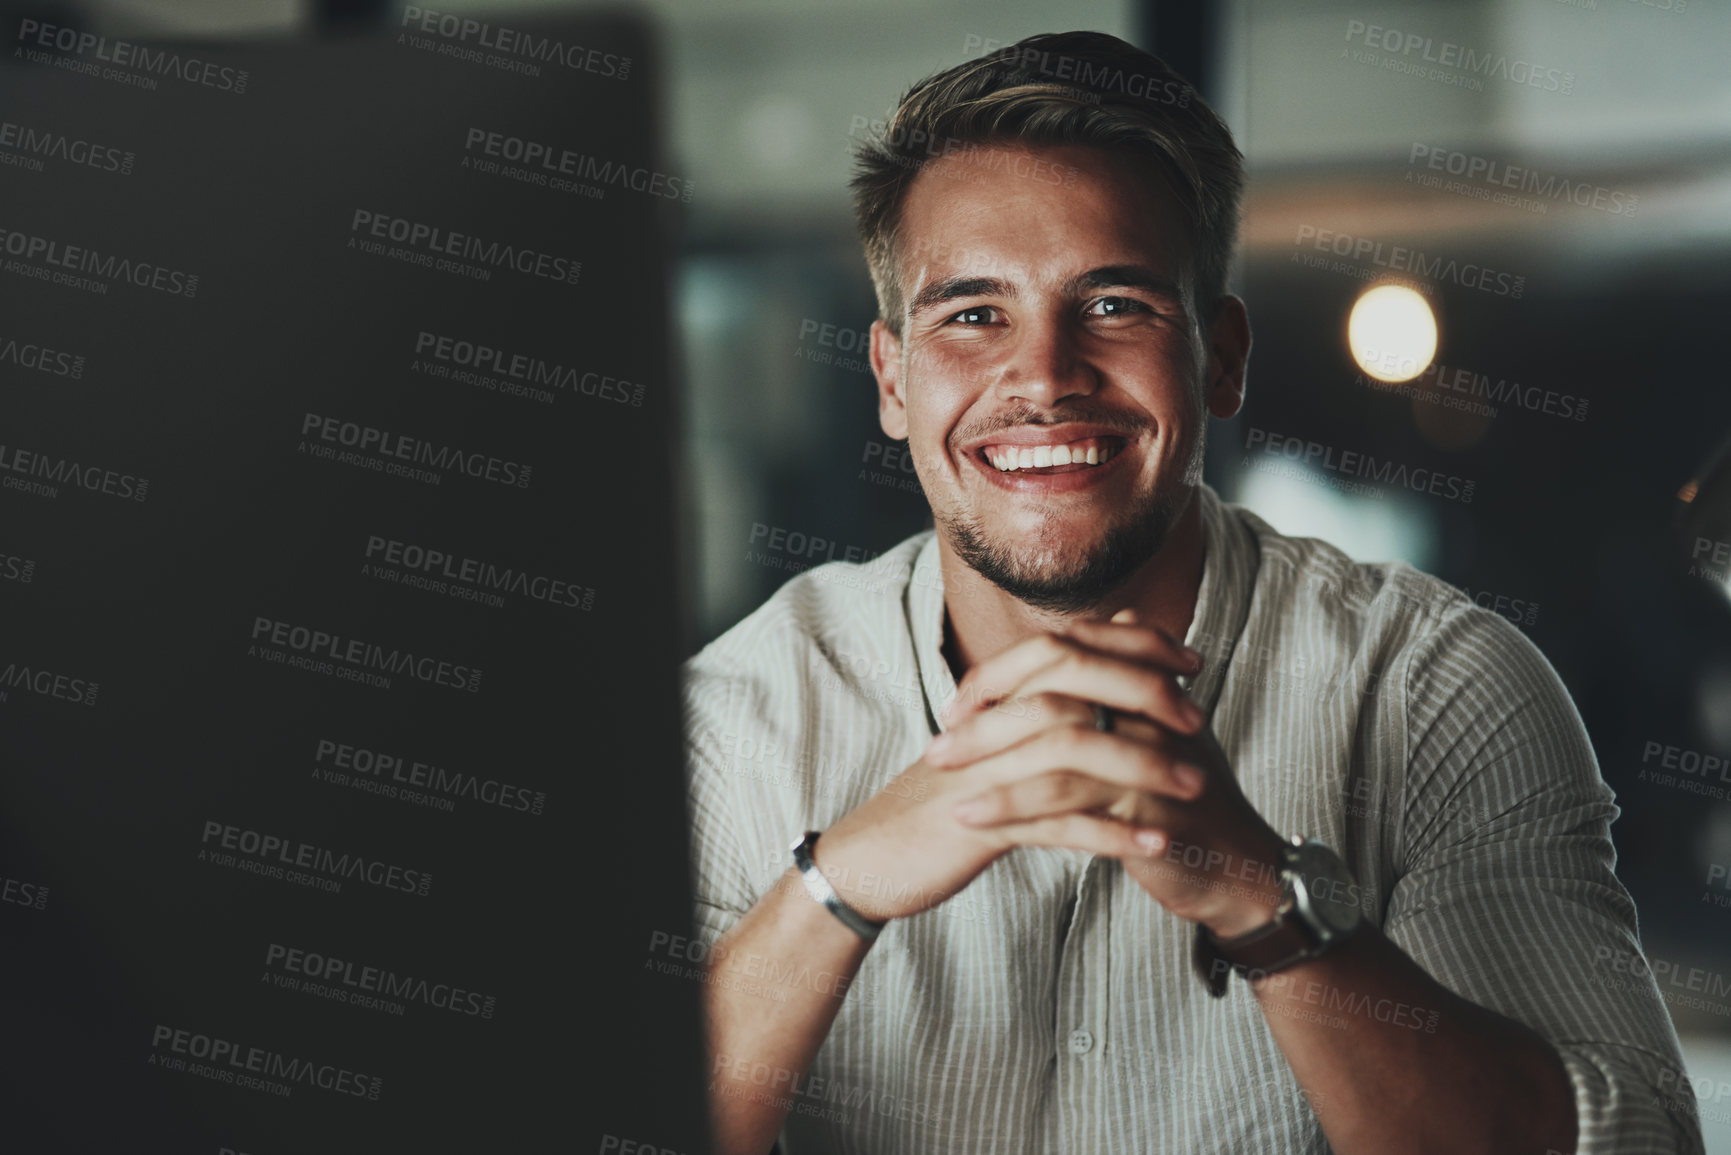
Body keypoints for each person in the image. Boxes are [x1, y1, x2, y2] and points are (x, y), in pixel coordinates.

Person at [683, 30, 1703, 1155]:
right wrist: (838, 886)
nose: (1043, 377)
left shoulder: (1439, 690)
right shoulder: (738, 715)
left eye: (1116, 306)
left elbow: (1638, 1146)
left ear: (1221, 358)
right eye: (973, 315)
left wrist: (1272, 910)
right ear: (890, 379)